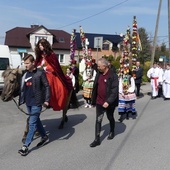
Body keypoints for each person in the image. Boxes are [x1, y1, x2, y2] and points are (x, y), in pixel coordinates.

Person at [18, 54, 50, 156]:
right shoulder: (25, 74)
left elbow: (47, 86)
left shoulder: (40, 73)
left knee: (32, 123)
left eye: (27, 63)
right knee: (36, 120)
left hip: (37, 102)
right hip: (28, 102)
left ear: (32, 63)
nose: (25, 65)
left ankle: (25, 146)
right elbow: (23, 89)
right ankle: (44, 136)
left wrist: (47, 100)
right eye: (24, 63)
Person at [34, 39, 73, 111]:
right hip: (40, 72)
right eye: (39, 45)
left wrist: (45, 68)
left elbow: (55, 67)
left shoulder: (51, 55)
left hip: (50, 73)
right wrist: (37, 67)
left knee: (48, 82)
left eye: (42, 45)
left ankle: (48, 100)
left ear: (45, 45)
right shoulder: (40, 55)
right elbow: (36, 64)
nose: (40, 47)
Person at [90, 58, 118, 147]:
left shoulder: (113, 75)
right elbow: (95, 86)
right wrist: (93, 100)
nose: (97, 67)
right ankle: (97, 139)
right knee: (98, 120)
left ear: (104, 66)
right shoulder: (99, 74)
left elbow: (114, 90)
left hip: (109, 103)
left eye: (99, 66)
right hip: (99, 101)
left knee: (110, 117)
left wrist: (108, 101)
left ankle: (112, 131)